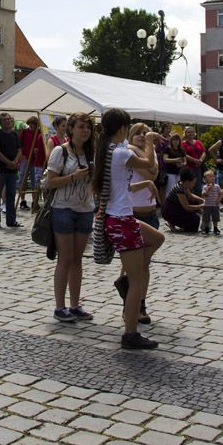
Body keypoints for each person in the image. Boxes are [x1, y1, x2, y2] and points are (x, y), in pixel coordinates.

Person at [94, 109, 165, 350]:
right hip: (121, 219)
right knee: (137, 280)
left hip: (119, 216)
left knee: (156, 238)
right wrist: (149, 142)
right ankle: (130, 333)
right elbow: (150, 165)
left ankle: (128, 277)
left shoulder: (109, 150)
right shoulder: (121, 153)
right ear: (123, 128)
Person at [44, 112, 95, 322]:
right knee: (64, 258)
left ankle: (75, 305)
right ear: (71, 129)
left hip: (85, 209)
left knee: (77, 259)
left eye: (88, 127)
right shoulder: (60, 151)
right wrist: (74, 176)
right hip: (63, 208)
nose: (85, 131)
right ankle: (59, 306)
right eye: (81, 127)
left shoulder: (91, 153)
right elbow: (49, 182)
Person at [127, 123, 160, 232]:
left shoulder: (149, 150)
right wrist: (135, 150)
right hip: (134, 210)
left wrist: (138, 150)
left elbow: (154, 170)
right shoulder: (128, 152)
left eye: (145, 133)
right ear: (131, 136)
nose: (141, 135)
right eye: (137, 133)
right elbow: (150, 175)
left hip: (151, 210)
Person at [0, 113, 21, 228]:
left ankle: (11, 221)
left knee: (11, 196)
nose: (8, 121)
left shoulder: (15, 134)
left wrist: (15, 162)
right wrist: (9, 162)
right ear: (0, 123)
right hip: (0, 170)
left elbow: (19, 150)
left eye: (9, 119)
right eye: (5, 120)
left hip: (12, 171)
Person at [162, 167, 203, 233]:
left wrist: (202, 200)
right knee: (195, 220)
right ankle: (171, 221)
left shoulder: (184, 185)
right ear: (187, 181)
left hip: (175, 208)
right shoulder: (179, 189)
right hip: (169, 211)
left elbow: (191, 196)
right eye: (193, 182)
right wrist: (202, 206)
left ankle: (174, 222)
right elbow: (187, 207)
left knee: (195, 202)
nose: (194, 184)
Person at [18, 116, 47, 210]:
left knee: (35, 180)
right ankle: (22, 201)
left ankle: (35, 201)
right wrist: (21, 155)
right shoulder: (24, 132)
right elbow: (19, 145)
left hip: (35, 159)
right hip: (25, 158)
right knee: (23, 179)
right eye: (31, 124)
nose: (32, 126)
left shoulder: (39, 132)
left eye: (34, 124)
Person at [162, 133, 187, 199]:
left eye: (177, 140)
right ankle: (168, 205)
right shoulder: (168, 149)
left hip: (179, 172)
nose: (175, 142)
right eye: (173, 140)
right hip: (170, 172)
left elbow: (185, 162)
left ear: (179, 141)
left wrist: (182, 164)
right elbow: (165, 159)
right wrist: (176, 160)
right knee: (170, 189)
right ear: (171, 141)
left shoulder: (182, 150)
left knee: (179, 190)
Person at [200, 170, 222, 235]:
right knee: (206, 217)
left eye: (213, 176)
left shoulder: (217, 186)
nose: (212, 177)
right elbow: (204, 195)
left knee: (215, 217)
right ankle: (206, 228)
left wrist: (219, 200)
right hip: (207, 205)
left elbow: (220, 194)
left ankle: (215, 228)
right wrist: (208, 189)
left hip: (215, 205)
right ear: (205, 179)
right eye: (210, 176)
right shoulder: (204, 187)